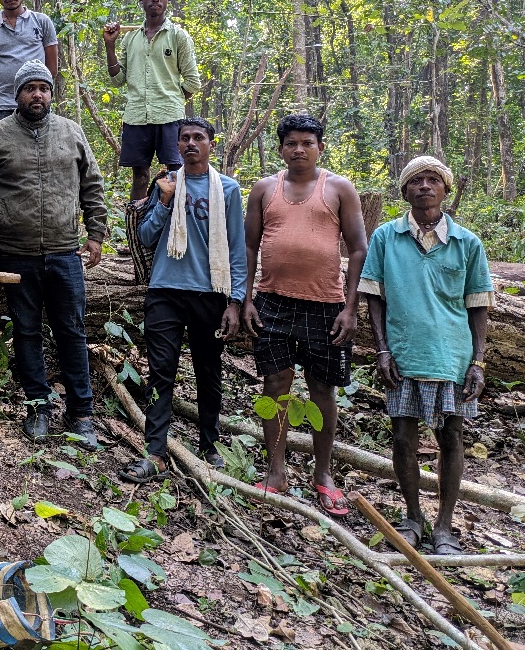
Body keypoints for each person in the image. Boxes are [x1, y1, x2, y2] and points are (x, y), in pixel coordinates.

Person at [0, 61, 108, 450]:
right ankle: (38, 407)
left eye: (43, 88)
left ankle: (81, 414)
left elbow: (93, 186)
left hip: (65, 251)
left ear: (51, 93)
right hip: (15, 253)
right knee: (26, 331)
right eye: (29, 89)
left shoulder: (71, 132)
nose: (37, 95)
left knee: (72, 330)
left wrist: (96, 235)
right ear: (16, 95)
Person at [359, 156, 493, 555]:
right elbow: (374, 297)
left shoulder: (467, 243)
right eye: (416, 181)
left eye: (433, 180)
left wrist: (478, 361)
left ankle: (446, 527)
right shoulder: (386, 237)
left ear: (445, 190)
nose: (425, 187)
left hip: (452, 355)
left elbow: (478, 305)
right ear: (405, 191)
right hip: (403, 354)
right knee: (403, 437)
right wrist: (382, 349)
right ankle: (413, 517)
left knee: (451, 436)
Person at [242, 114, 367, 515]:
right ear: (281, 149)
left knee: (322, 389)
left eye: (307, 143)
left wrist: (350, 307)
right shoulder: (265, 189)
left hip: (326, 304)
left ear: (320, 147)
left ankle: (323, 473)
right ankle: (275, 470)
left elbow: (358, 248)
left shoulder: (339, 188)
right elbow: (248, 247)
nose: (299, 150)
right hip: (273, 301)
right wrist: (245, 299)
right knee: (275, 383)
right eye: (291, 143)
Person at [121, 117, 247, 482]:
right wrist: (163, 201)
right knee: (161, 373)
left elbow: (237, 247)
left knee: (209, 372)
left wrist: (235, 301)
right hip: (165, 291)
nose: (191, 143)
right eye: (185, 138)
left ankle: (209, 445)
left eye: (199, 138)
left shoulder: (227, 189)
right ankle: (155, 453)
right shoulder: (166, 184)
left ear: (210, 144)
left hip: (210, 294)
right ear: (177, 146)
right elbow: (144, 238)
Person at [102, 0, 201, 202]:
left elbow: (192, 81)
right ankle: (137, 231)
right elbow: (118, 80)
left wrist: (174, 100)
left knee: (176, 173)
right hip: (136, 117)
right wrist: (110, 46)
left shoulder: (178, 37)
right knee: (140, 176)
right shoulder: (130, 39)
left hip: (170, 117)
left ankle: (176, 228)